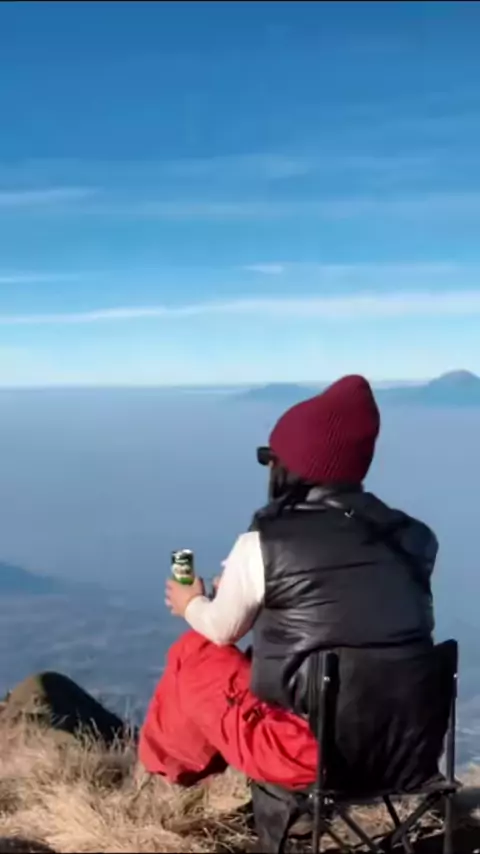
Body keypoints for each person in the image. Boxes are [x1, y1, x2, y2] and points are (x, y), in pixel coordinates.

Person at [139, 375, 437, 787]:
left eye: (270, 458)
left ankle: (165, 779)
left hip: (312, 756)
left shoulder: (265, 543)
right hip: (409, 750)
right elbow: (352, 611)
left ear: (289, 466)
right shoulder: (417, 538)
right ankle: (173, 776)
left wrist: (191, 601)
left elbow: (222, 629)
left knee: (195, 651)